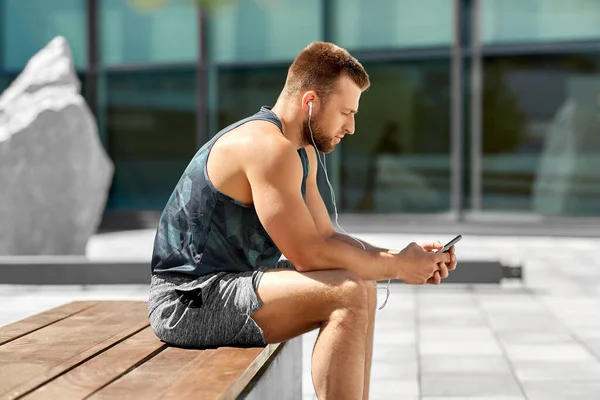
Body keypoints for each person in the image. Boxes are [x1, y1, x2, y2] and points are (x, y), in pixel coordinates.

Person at [148, 42, 457, 400]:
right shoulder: (266, 147)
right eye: (345, 112)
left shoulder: (300, 150)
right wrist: (401, 267)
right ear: (310, 102)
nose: (352, 127)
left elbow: (326, 236)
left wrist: (405, 256)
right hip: (188, 301)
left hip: (230, 282)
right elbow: (309, 255)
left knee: (364, 285)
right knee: (348, 292)